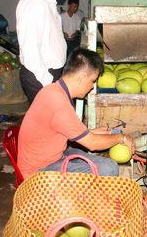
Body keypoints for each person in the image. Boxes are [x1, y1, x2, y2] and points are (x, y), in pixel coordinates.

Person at [17, 48, 136, 179]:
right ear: (81, 78)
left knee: (105, 163)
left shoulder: (53, 89)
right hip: (39, 172)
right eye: (93, 80)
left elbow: (64, 130)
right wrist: (122, 138)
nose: (92, 86)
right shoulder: (59, 104)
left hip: (53, 155)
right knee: (109, 169)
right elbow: (93, 144)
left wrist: (93, 132)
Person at [16, 0, 70, 104]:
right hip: (40, 75)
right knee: (47, 123)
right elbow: (29, 49)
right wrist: (48, 82)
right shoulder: (34, 1)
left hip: (48, 72)